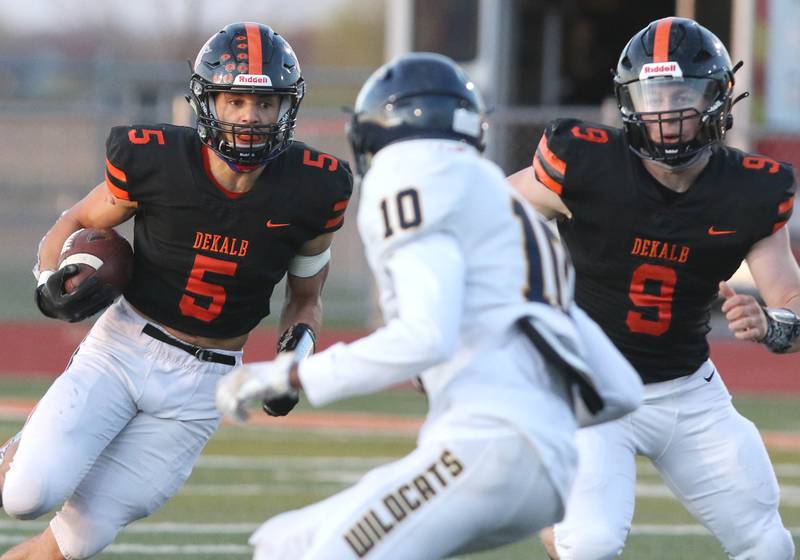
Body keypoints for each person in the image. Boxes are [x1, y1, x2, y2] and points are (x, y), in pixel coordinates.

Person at [215, 52, 643, 560]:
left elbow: (424, 337)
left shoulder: (409, 174)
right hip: (550, 472)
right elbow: (620, 390)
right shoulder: (507, 206)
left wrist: (287, 376)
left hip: (486, 446)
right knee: (284, 543)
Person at [0, 21, 353, 560]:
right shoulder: (157, 159)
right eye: (235, 100)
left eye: (265, 103)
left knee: (74, 545)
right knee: (26, 496)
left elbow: (305, 298)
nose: (250, 117)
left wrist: (293, 361)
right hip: (123, 348)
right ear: (207, 101)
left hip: (204, 385)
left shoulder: (315, 187)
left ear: (288, 108)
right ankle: (15, 454)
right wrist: (49, 280)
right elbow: (73, 220)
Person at [508, 16, 800, 560]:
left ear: (718, 100)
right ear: (629, 101)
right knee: (590, 544)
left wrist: (772, 323)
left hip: (689, 390)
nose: (668, 112)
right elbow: (486, 212)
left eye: (684, 93)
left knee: (769, 546)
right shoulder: (586, 161)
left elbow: (792, 303)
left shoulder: (752, 190)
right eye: (654, 94)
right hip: (590, 387)